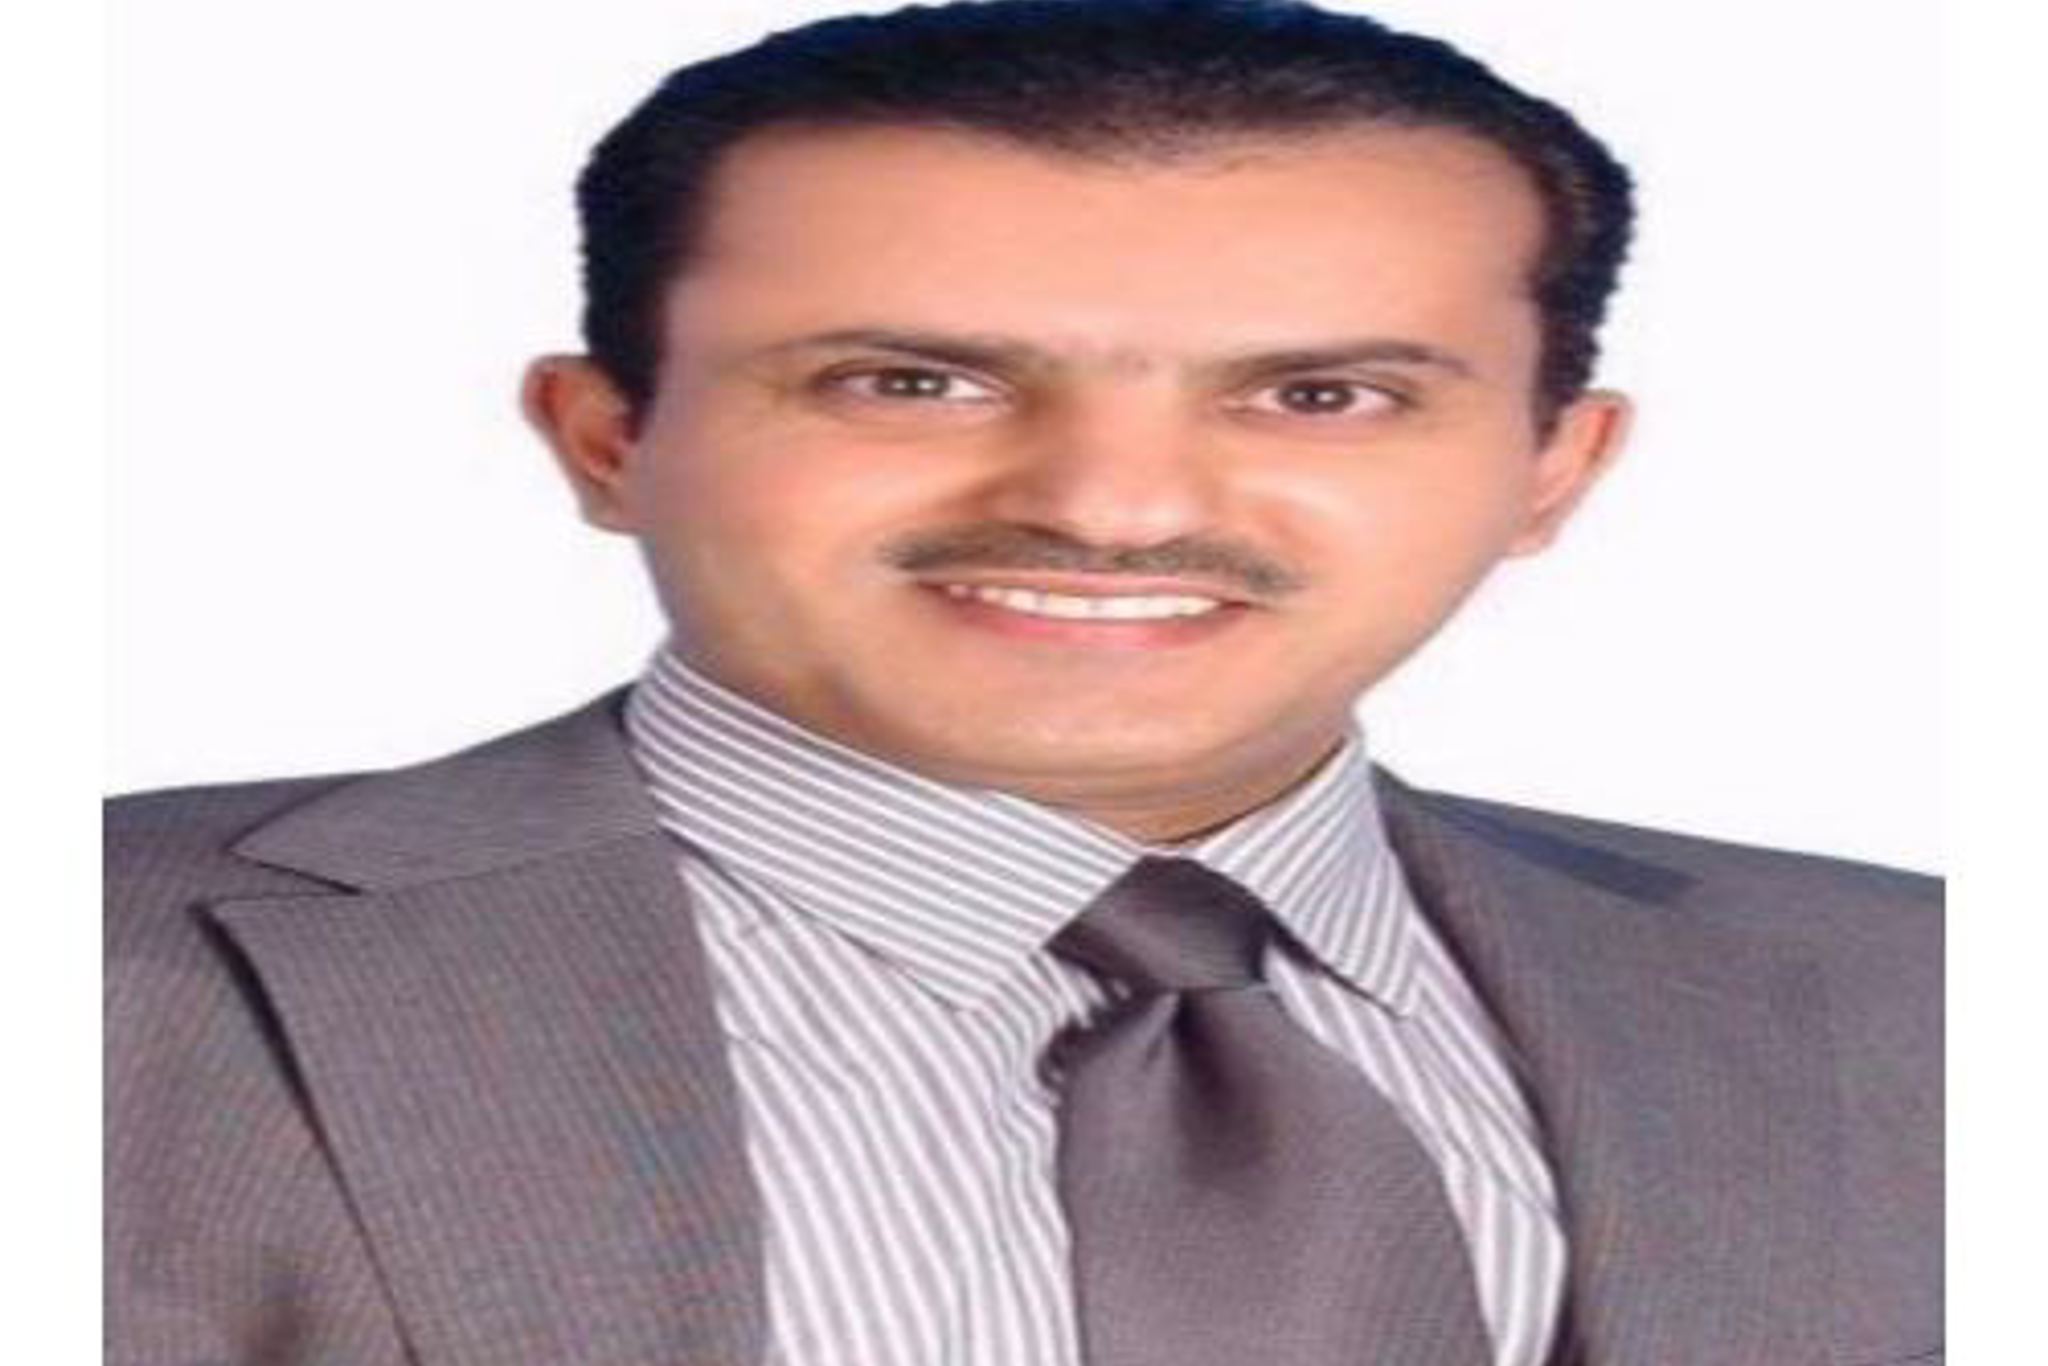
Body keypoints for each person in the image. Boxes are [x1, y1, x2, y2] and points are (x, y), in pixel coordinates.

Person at [104, 2, 1941, 1363]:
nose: (1109, 505)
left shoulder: (1927, 999)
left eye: (1321, 394)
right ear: (606, 437)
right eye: (912, 382)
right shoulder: (87, 982)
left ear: (1554, 468)